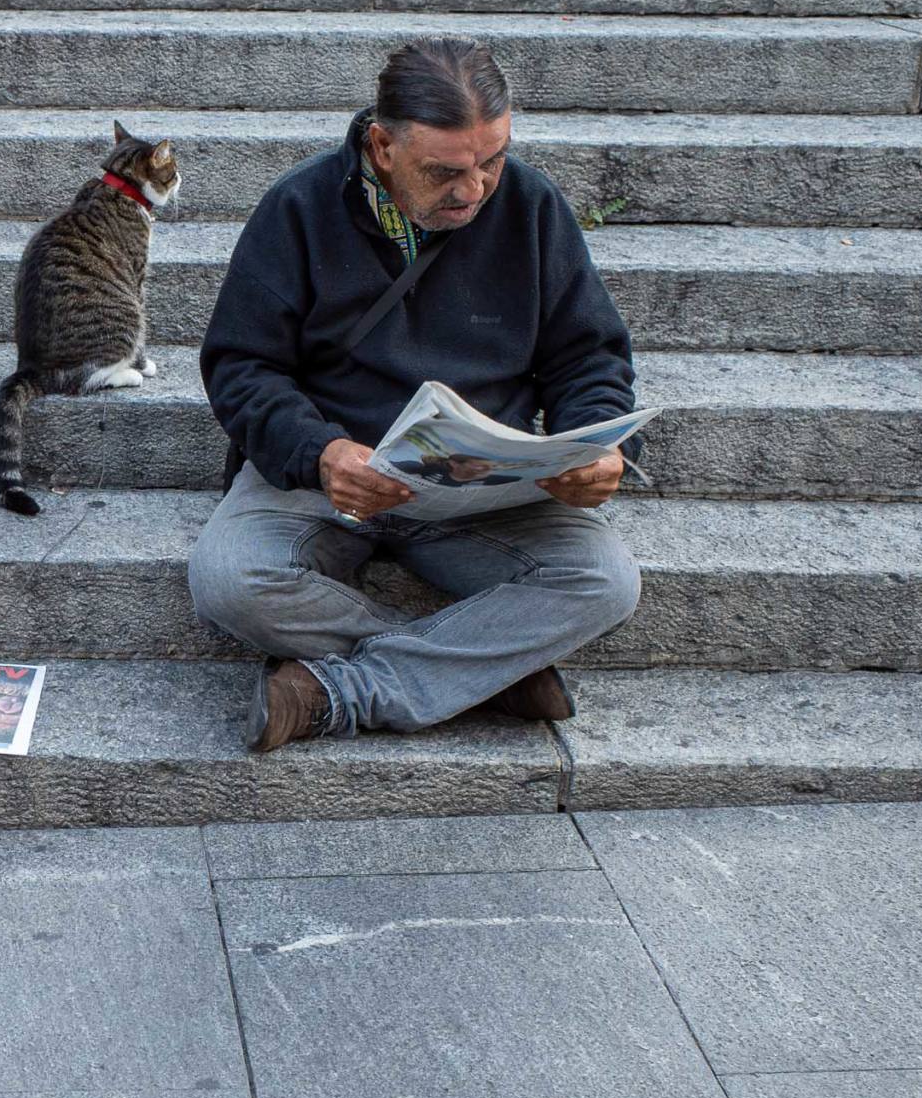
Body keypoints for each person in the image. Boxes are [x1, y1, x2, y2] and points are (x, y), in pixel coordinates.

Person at [188, 37, 642, 754]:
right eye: (446, 171)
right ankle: (489, 671)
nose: (474, 189)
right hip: (330, 477)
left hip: (480, 490)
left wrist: (596, 443)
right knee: (229, 579)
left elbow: (587, 356)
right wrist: (321, 450)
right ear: (383, 144)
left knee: (605, 582)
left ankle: (341, 691)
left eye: (492, 161)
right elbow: (242, 367)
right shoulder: (300, 208)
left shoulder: (529, 207)